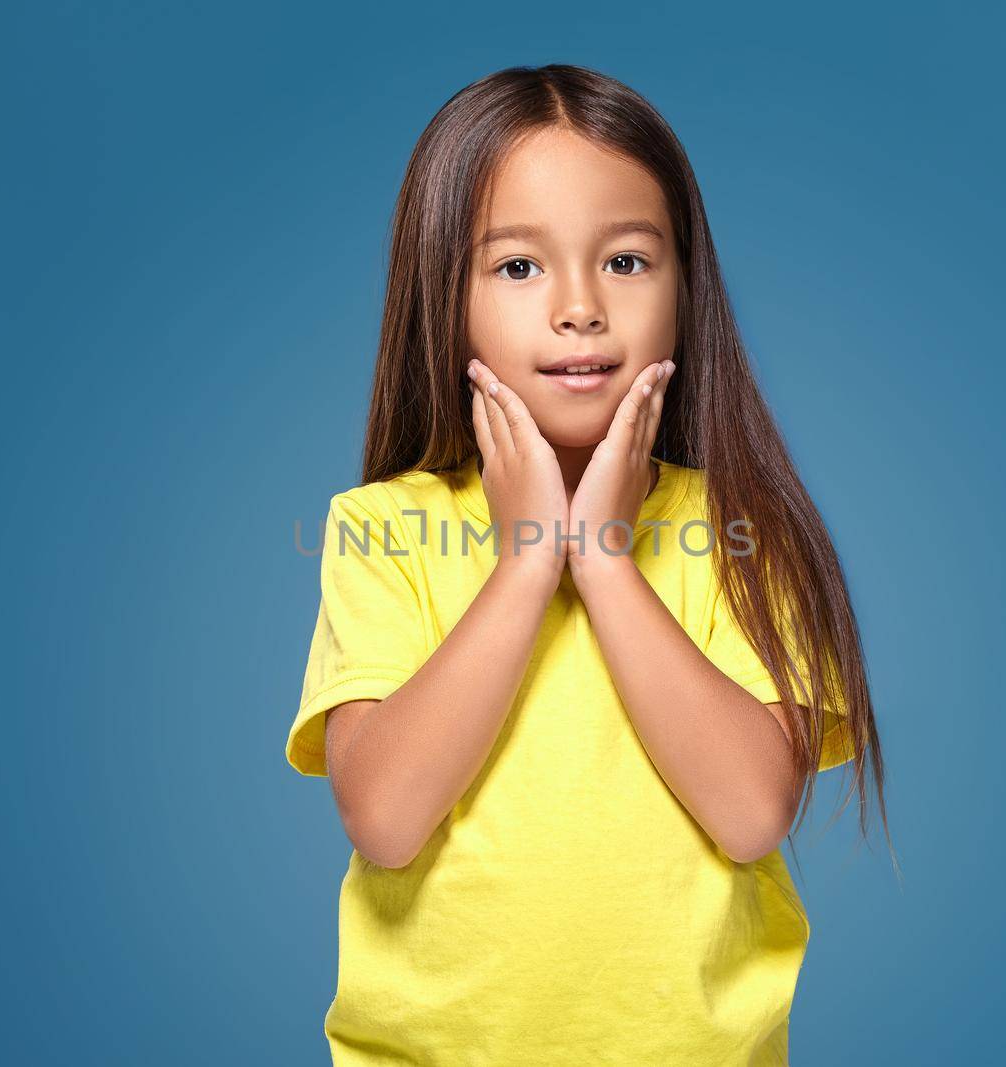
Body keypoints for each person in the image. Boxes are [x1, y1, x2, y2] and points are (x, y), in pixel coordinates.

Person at [286, 63, 891, 1066]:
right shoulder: (382, 528)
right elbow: (385, 817)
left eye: (625, 260)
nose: (579, 308)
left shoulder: (747, 531)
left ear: (685, 287)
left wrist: (605, 559)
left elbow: (748, 812)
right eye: (517, 267)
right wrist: (528, 560)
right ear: (445, 293)